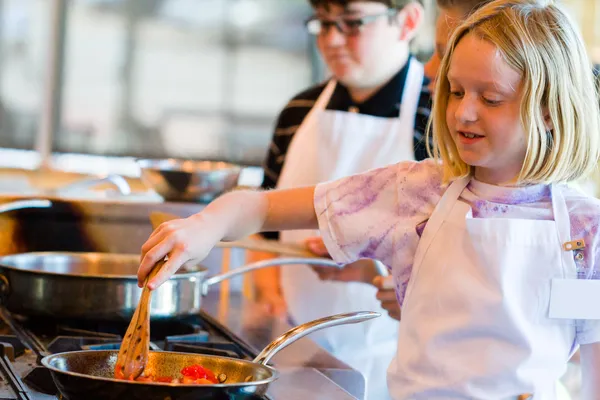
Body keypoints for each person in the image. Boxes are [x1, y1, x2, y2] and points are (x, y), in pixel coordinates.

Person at [138, 0, 600, 398]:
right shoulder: (416, 192)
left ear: (549, 108)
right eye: (455, 91)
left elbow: (591, 362)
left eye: (491, 97)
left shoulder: (585, 232)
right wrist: (206, 225)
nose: (463, 111)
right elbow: (260, 207)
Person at [247, 0, 429, 398]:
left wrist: (369, 258)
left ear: (408, 20)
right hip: (295, 345)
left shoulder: (437, 116)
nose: (332, 40)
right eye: (324, 23)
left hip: (397, 355)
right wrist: (269, 295)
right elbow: (264, 229)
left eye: (352, 23)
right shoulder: (298, 112)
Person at [309, 0, 496, 323]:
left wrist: (425, 296)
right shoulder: (427, 177)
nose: (429, 70)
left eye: (352, 22)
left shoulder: (576, 223)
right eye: (324, 24)